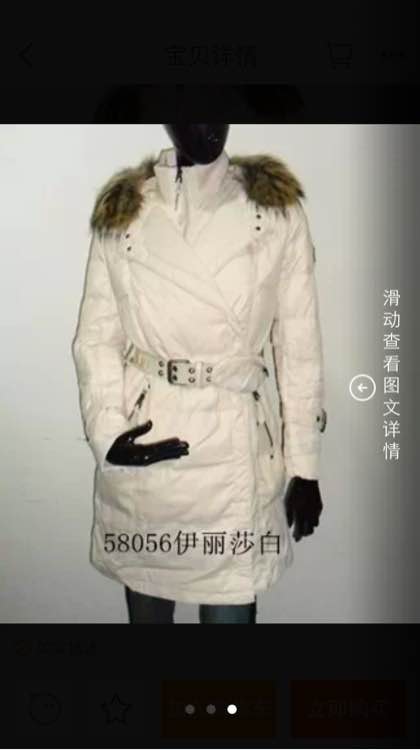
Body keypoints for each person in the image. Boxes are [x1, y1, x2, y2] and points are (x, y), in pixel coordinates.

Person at [71, 124, 326, 624]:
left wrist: (306, 465)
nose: (206, 120)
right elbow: (96, 337)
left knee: (230, 619)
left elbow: (299, 347)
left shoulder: (275, 212)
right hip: (149, 440)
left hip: (236, 445)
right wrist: (108, 432)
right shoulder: (126, 212)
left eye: (219, 102)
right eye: (186, 102)